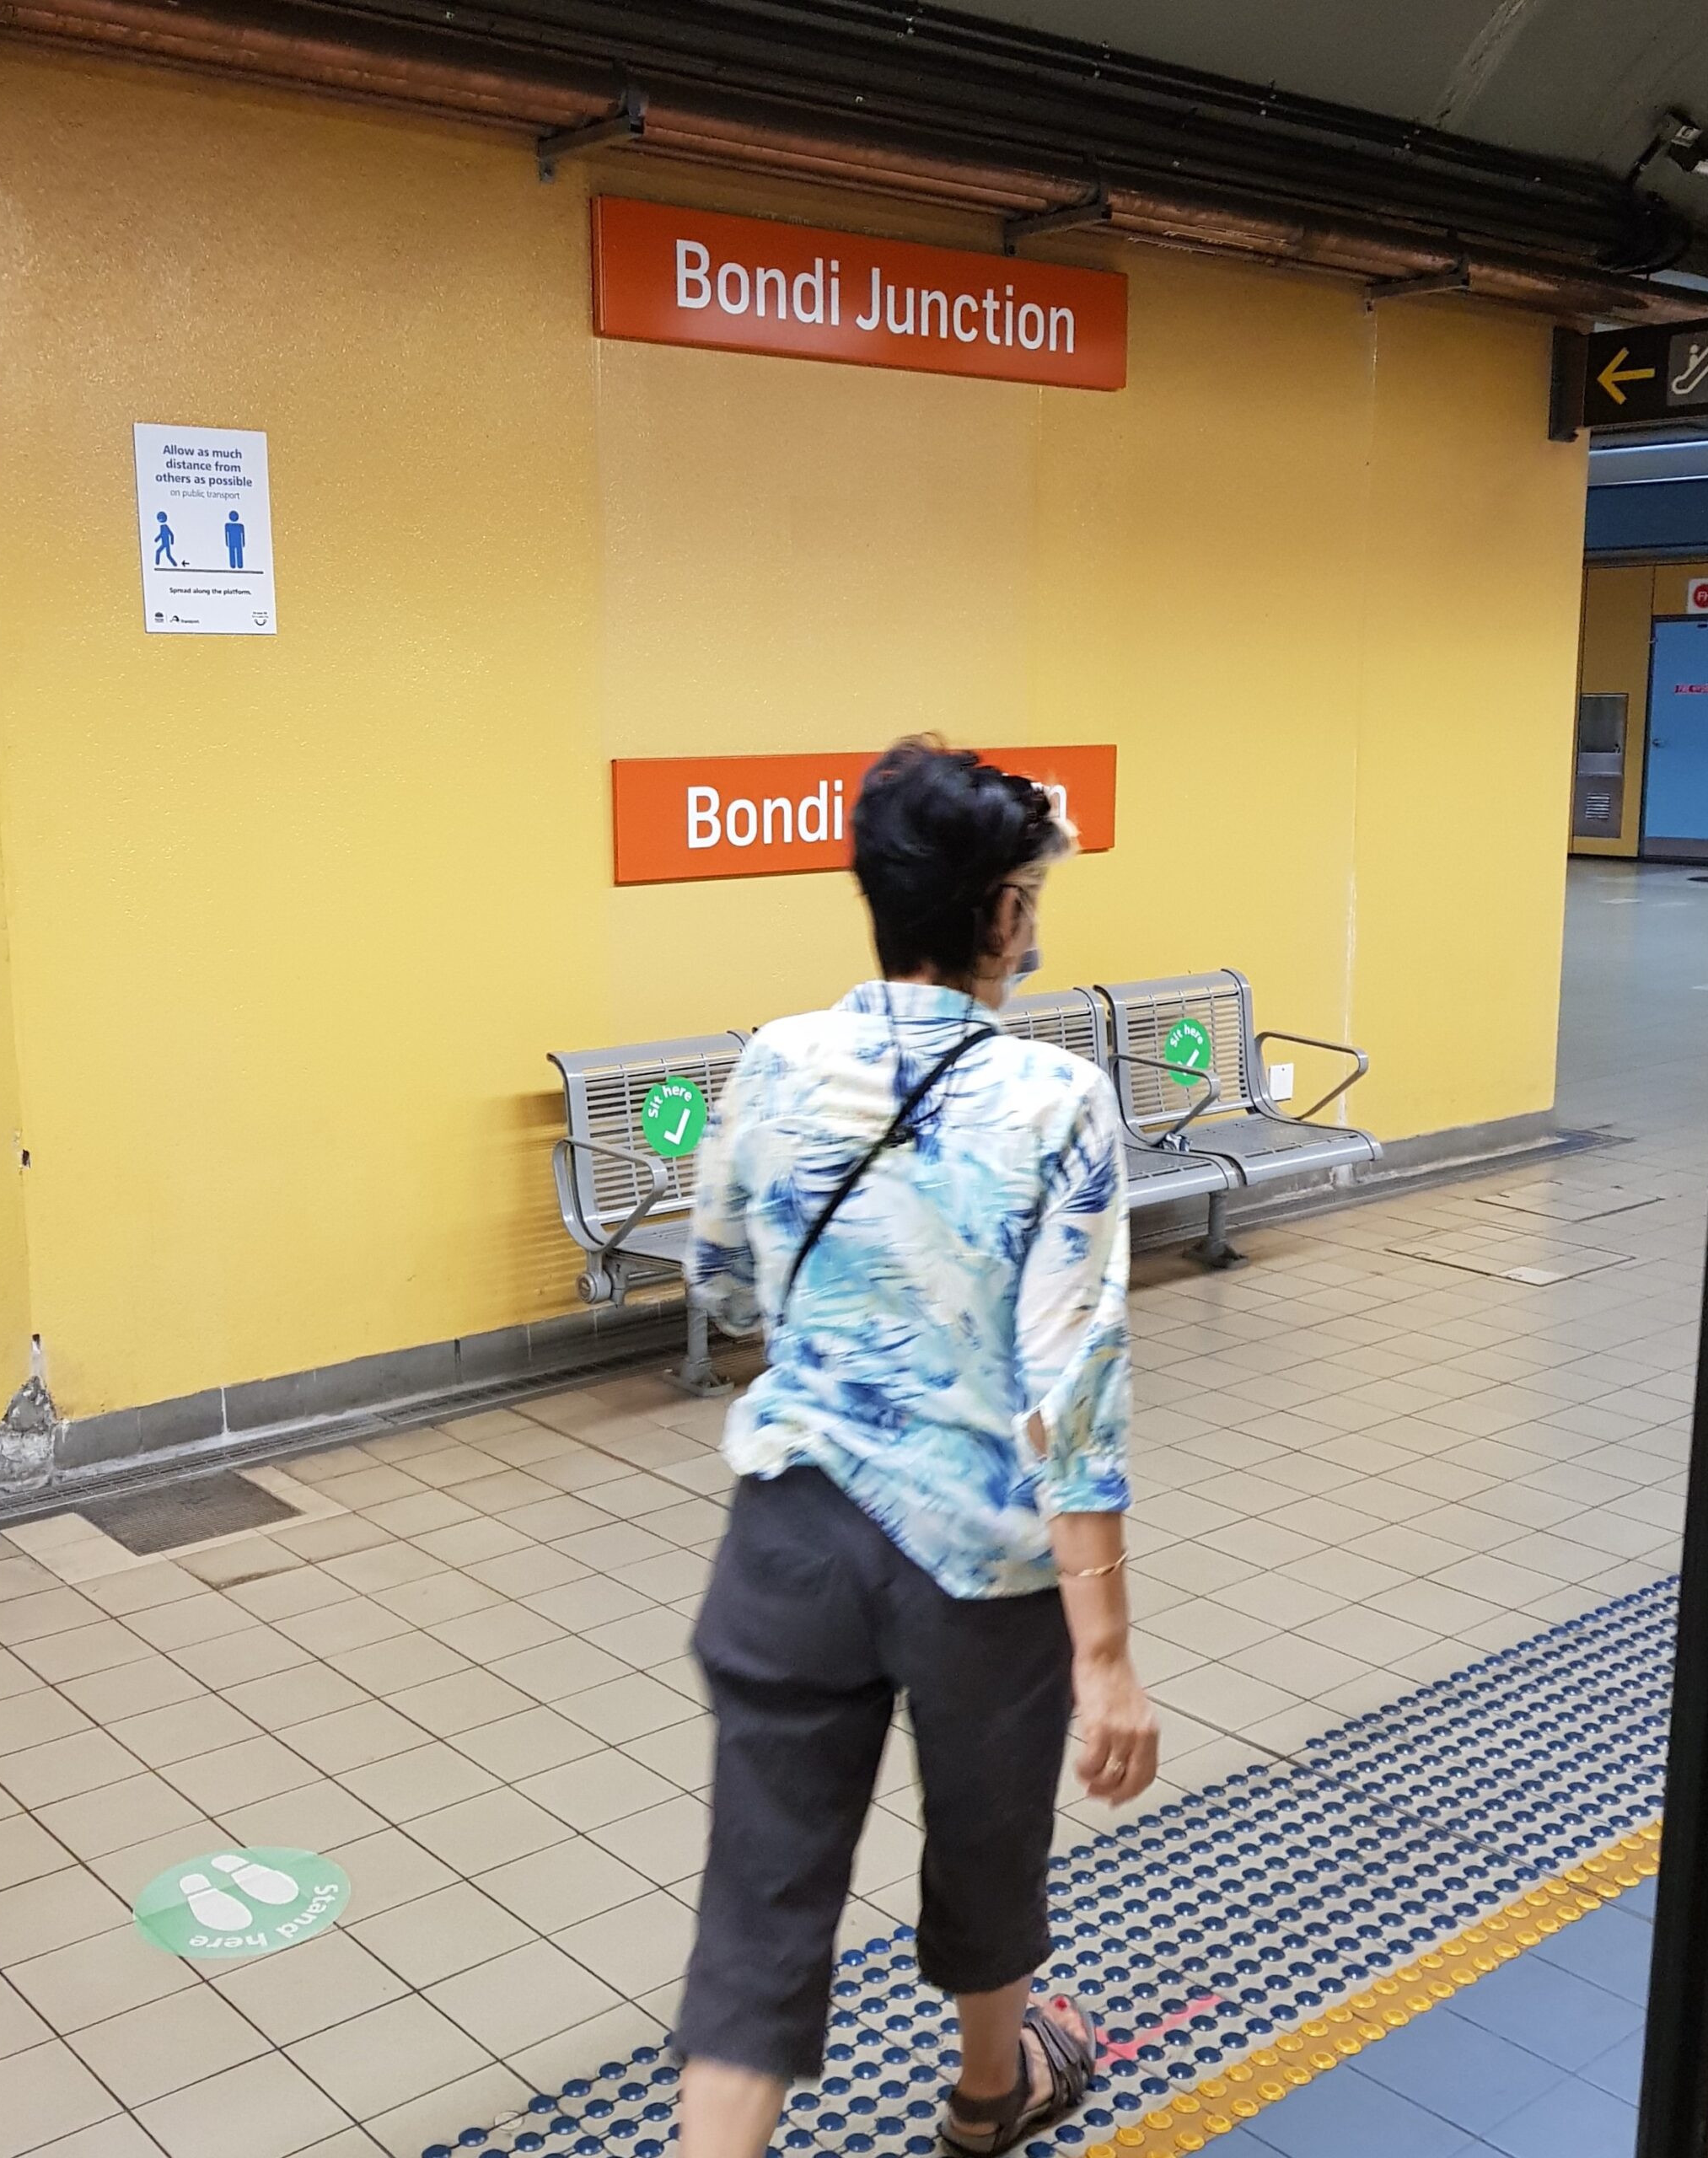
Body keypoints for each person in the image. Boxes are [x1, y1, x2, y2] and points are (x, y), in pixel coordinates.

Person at [679, 737, 1158, 2158]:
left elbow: (714, 1270)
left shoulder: (773, 1063)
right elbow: (1074, 1389)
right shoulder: (1055, 1101)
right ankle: (987, 2096)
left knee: (760, 1913)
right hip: (983, 1574)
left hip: (791, 1541)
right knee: (990, 1848)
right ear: (1003, 914)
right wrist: (1108, 1651)